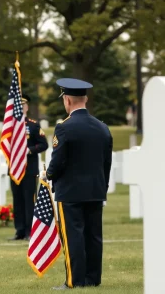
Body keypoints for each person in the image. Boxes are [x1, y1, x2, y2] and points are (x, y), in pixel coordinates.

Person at [40, 78, 113, 289]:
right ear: (86, 99)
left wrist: (48, 174)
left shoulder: (64, 127)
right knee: (93, 236)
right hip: (96, 190)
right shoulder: (102, 128)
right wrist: (103, 187)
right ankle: (92, 279)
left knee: (73, 237)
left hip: (70, 191)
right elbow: (106, 163)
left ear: (68, 100)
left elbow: (59, 159)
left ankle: (74, 281)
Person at [9, 94, 48, 241]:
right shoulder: (10, 126)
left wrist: (29, 150)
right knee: (17, 199)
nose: (20, 107)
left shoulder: (32, 125)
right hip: (14, 168)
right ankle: (19, 231)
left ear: (26, 107)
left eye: (23, 105)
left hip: (29, 168)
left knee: (29, 199)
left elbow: (44, 144)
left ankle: (30, 231)